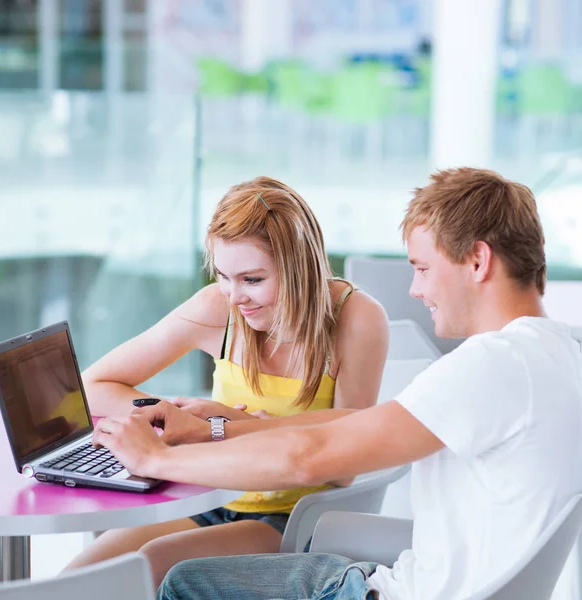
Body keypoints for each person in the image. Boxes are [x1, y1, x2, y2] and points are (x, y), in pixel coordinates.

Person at [92, 167, 582, 600]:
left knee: (182, 581)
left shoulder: (489, 367)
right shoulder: (556, 352)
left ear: (477, 261)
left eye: (423, 268)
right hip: (418, 578)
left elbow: (311, 456)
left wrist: (157, 459)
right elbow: (350, 426)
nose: (415, 289)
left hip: (381, 591)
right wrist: (215, 429)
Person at [66, 176, 389, 588]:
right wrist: (173, 418)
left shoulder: (357, 318)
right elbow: (93, 384)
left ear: (299, 268)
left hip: (294, 517)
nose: (235, 297)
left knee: (152, 565)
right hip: (209, 495)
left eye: (253, 280)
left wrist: (224, 429)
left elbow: (346, 464)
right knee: (84, 576)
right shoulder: (218, 307)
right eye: (223, 275)